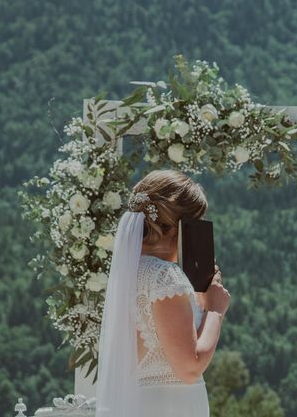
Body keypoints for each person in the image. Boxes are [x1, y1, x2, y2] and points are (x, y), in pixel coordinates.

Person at [95, 169, 230, 417]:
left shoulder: (130, 273)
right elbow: (190, 367)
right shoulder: (164, 276)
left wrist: (200, 302)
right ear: (182, 227)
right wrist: (215, 309)